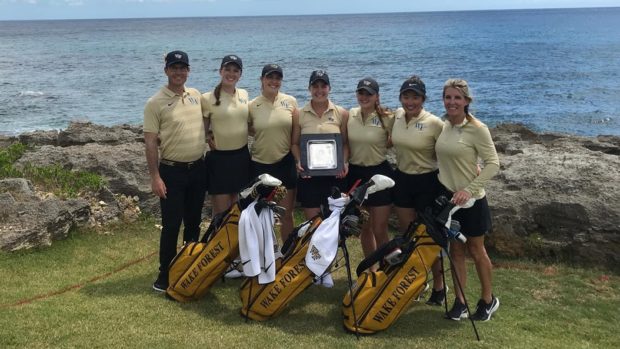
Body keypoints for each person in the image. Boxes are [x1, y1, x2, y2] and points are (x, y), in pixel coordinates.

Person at [435, 78, 500, 321]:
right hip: (450, 201)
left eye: (457, 98)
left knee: (476, 249)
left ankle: (487, 300)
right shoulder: (444, 125)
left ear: (466, 101)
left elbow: (493, 164)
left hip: (472, 202)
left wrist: (469, 190)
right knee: (456, 251)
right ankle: (460, 302)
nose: (452, 102)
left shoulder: (477, 128)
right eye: (448, 97)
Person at [144, 50, 207, 292]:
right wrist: (155, 177)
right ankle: (165, 274)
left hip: (198, 168)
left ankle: (189, 267)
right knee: (171, 225)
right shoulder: (155, 102)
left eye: (183, 68)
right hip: (171, 171)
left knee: (193, 222)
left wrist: (209, 136)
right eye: (174, 68)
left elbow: (204, 121)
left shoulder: (195, 95)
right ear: (166, 71)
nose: (179, 72)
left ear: (188, 70)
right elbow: (150, 142)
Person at [390, 76, 447, 305]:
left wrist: (472, 163)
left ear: (423, 99)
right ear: (401, 98)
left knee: (429, 239)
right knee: (408, 236)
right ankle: (416, 282)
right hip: (402, 180)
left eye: (415, 97)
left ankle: (440, 287)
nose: (410, 101)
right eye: (406, 96)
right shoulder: (396, 116)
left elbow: (450, 147)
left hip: (427, 183)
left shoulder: (434, 123)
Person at [248, 63, 299, 242]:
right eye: (270, 77)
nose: (274, 81)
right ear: (261, 80)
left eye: (277, 78)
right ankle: (265, 256)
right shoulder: (252, 105)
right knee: (262, 216)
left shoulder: (291, 102)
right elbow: (246, 128)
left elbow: (296, 134)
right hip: (260, 164)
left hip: (285, 163)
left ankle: (287, 254)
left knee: (286, 215)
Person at [346, 77, 393, 264]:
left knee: (380, 229)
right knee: (365, 227)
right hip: (357, 175)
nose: (364, 97)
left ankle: (387, 268)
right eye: (361, 93)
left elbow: (403, 136)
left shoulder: (387, 117)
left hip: (379, 173)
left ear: (377, 96)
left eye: (369, 94)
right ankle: (371, 268)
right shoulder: (351, 114)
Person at [293, 70, 349, 220]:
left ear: (329, 88)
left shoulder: (341, 113)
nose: (319, 91)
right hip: (309, 178)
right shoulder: (299, 114)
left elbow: (344, 143)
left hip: (334, 177)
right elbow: (294, 144)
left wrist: (344, 162)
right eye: (315, 86)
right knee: (313, 225)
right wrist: (299, 161)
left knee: (333, 226)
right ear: (309, 88)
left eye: (323, 86)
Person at [202, 55, 250, 216]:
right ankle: (219, 241)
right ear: (220, 71)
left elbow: (248, 123)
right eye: (227, 69)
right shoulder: (207, 98)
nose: (231, 73)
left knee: (239, 212)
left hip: (242, 157)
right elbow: (202, 129)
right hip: (220, 160)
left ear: (240, 74)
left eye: (235, 70)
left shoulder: (244, 94)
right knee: (221, 214)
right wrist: (209, 137)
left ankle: (239, 242)